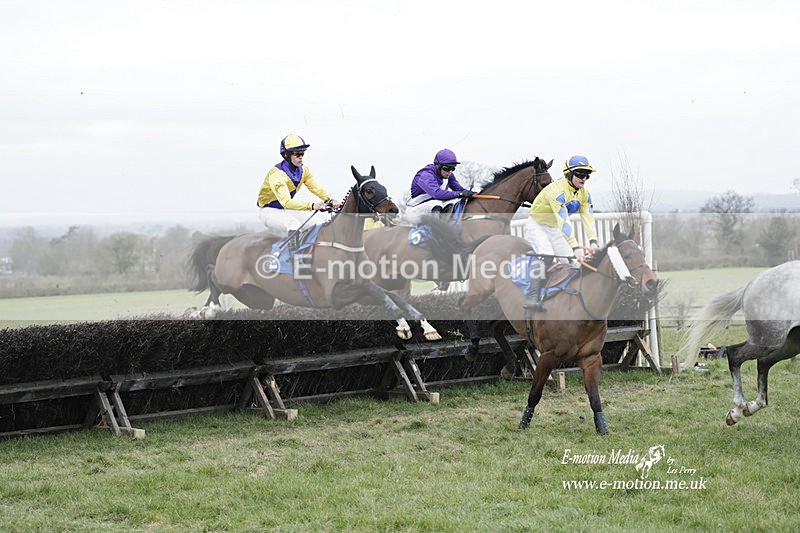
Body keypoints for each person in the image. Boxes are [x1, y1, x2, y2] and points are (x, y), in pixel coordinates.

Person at [523, 155, 600, 311]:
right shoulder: (557, 191)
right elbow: (563, 221)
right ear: (569, 174)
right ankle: (532, 297)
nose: (584, 178)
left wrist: (593, 242)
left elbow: (588, 217)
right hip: (537, 225)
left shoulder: (584, 194)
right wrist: (575, 247)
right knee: (547, 254)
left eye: (587, 175)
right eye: (580, 174)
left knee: (573, 263)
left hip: (554, 229)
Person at [257, 134, 341, 236]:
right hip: (269, 211)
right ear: (287, 155)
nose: (301, 157)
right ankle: (282, 252)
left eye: (302, 153)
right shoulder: (277, 175)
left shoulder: (304, 171)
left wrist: (330, 200)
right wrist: (313, 206)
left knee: (319, 224)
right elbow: (286, 202)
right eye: (297, 154)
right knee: (293, 224)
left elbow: (317, 189)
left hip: (287, 210)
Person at [404, 148, 474, 224]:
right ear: (438, 166)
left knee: (454, 203)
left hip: (431, 208)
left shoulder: (448, 175)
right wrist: (459, 194)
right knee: (435, 204)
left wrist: (472, 194)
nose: (450, 172)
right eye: (446, 168)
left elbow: (460, 190)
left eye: (452, 168)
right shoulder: (425, 175)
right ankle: (437, 230)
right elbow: (437, 194)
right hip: (415, 211)